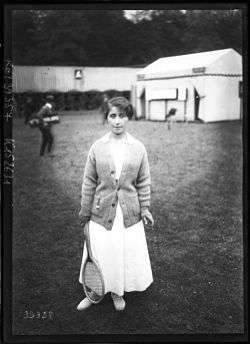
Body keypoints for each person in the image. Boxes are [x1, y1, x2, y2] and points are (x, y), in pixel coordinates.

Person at [77, 96, 154, 312]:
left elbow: (144, 180)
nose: (118, 121)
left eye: (122, 115)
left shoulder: (138, 147)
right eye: (113, 116)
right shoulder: (97, 147)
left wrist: (145, 208)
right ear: (107, 118)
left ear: (128, 117)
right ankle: (94, 293)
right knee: (101, 251)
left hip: (127, 213)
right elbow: (89, 181)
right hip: (101, 212)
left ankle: (117, 292)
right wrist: (85, 210)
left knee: (119, 252)